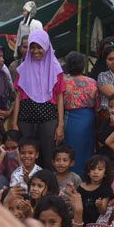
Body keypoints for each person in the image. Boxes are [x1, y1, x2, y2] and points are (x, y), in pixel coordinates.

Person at [13, 29, 65, 168]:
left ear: (46, 46)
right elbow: (18, 97)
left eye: (39, 47)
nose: (35, 51)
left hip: (49, 118)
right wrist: (14, 123)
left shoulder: (56, 69)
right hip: (25, 118)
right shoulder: (22, 69)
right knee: (26, 156)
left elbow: (60, 97)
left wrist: (60, 125)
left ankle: (47, 187)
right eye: (32, 47)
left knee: (48, 156)